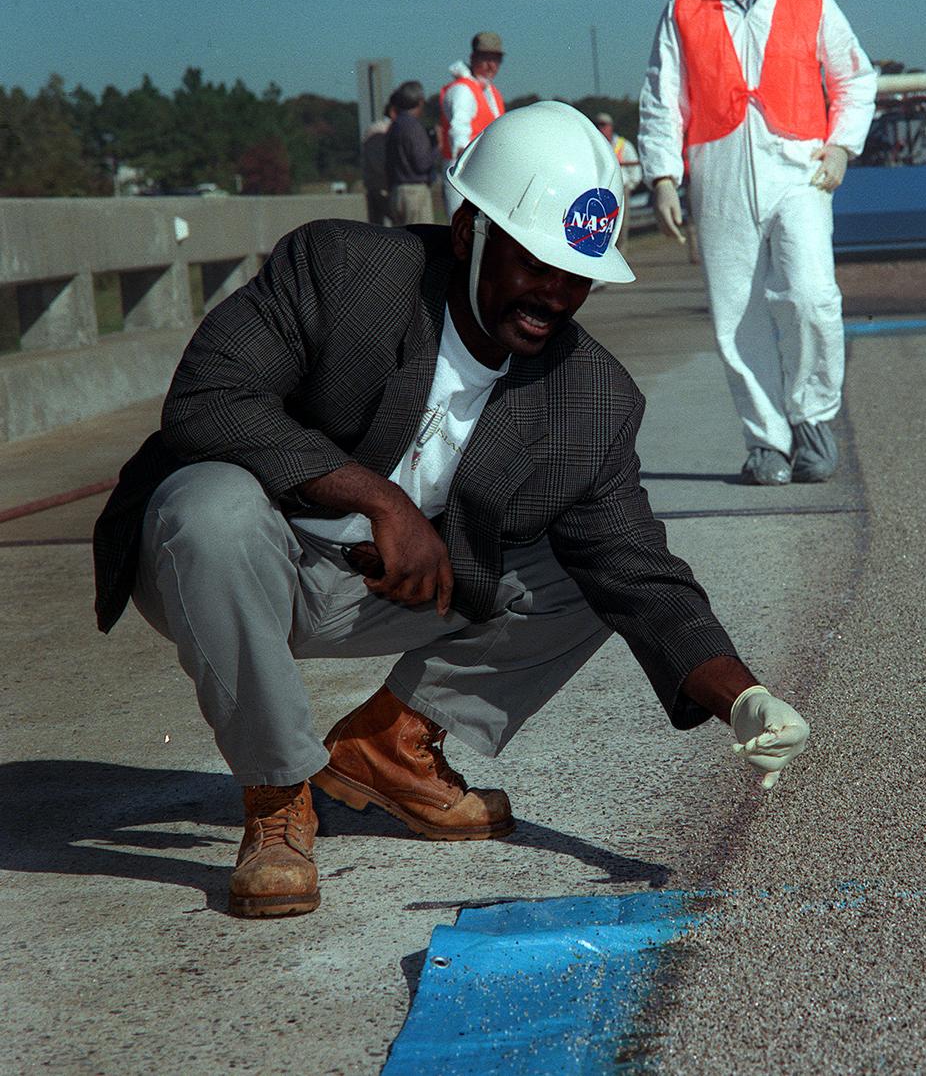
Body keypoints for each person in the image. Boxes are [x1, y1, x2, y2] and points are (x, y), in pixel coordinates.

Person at [92, 101, 810, 921]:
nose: (556, 295)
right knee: (208, 505)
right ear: (470, 232)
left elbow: (638, 568)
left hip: (388, 592)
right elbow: (205, 397)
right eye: (536, 262)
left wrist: (743, 696)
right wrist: (379, 498)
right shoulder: (344, 272)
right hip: (235, 563)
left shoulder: (591, 399)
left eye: (577, 275)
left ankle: (390, 747)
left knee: (588, 579)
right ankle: (277, 796)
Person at [638, 0, 877, 487]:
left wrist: (843, 145)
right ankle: (766, 442)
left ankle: (814, 419)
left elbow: (854, 76)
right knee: (735, 314)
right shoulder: (683, 7)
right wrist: (663, 175)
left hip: (799, 166)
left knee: (811, 296)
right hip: (717, 170)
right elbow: (662, 99)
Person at [440, 31, 506, 217]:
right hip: (465, 173)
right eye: (486, 58)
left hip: (485, 172)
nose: (491, 65)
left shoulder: (490, 91)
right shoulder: (463, 90)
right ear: (473, 57)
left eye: (496, 60)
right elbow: (459, 130)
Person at [385, 81, 438, 226]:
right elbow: (422, 164)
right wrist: (437, 146)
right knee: (420, 242)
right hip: (414, 193)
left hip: (397, 192)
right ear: (420, 101)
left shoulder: (395, 125)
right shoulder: (413, 127)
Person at [592, 112, 642, 258]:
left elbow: (636, 171)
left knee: (621, 228)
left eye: (603, 125)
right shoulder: (594, 145)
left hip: (620, 191)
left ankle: (620, 257)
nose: (600, 128)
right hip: (600, 192)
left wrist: (629, 186)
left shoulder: (623, 145)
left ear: (610, 127)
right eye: (598, 125)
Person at [360, 101, 395, 226]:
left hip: (372, 186)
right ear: (393, 111)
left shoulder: (372, 128)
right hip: (384, 187)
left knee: (375, 230)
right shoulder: (385, 130)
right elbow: (380, 162)